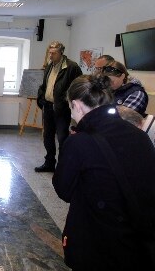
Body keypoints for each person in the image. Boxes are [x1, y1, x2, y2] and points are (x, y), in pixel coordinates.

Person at [53, 75, 155, 270]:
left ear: (76, 104)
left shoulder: (79, 142)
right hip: (136, 243)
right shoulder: (139, 136)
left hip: (95, 242)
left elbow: (63, 190)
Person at [36, 41, 82, 172]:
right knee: (47, 137)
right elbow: (45, 86)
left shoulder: (71, 67)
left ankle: (62, 166)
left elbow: (78, 87)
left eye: (53, 53)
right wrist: (41, 98)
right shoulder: (50, 66)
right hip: (48, 107)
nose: (50, 55)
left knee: (62, 137)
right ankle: (49, 163)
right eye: (50, 52)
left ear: (61, 52)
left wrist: (65, 101)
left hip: (62, 109)